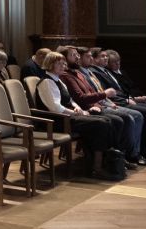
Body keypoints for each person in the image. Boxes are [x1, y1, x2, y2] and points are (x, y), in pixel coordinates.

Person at [34, 52, 125, 180]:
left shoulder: (58, 79)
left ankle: (105, 161)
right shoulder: (47, 82)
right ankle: (97, 168)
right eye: (59, 64)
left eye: (63, 63)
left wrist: (77, 107)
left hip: (68, 116)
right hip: (56, 121)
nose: (63, 66)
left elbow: (69, 100)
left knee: (106, 120)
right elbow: (55, 108)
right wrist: (77, 112)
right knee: (101, 123)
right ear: (50, 64)